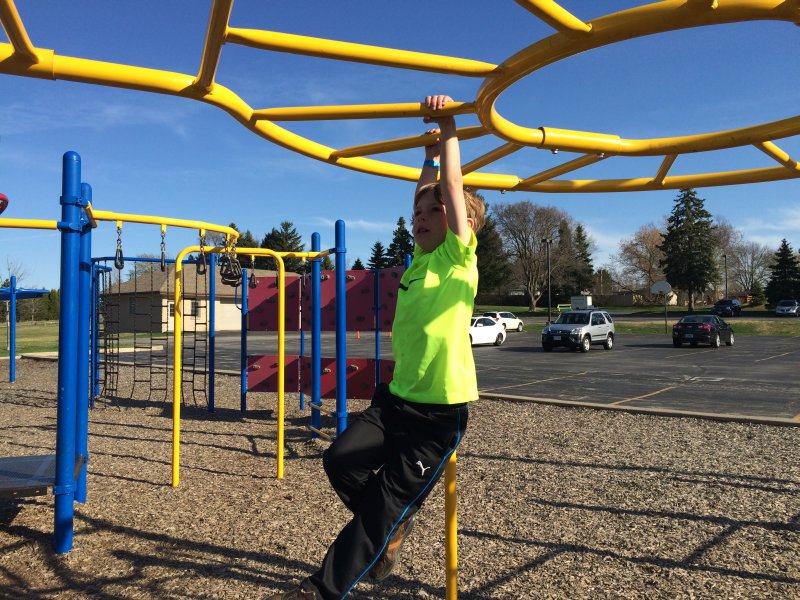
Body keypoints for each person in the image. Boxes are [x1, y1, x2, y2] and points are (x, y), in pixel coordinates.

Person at [269, 95, 486, 599]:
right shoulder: (419, 261)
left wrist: (449, 127)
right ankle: (392, 527)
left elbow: (453, 187)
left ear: (463, 225)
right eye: (417, 214)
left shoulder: (459, 260)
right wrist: (428, 158)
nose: (421, 218)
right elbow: (430, 189)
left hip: (437, 417)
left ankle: (323, 587)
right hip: (394, 402)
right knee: (339, 459)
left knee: (378, 511)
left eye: (434, 212)